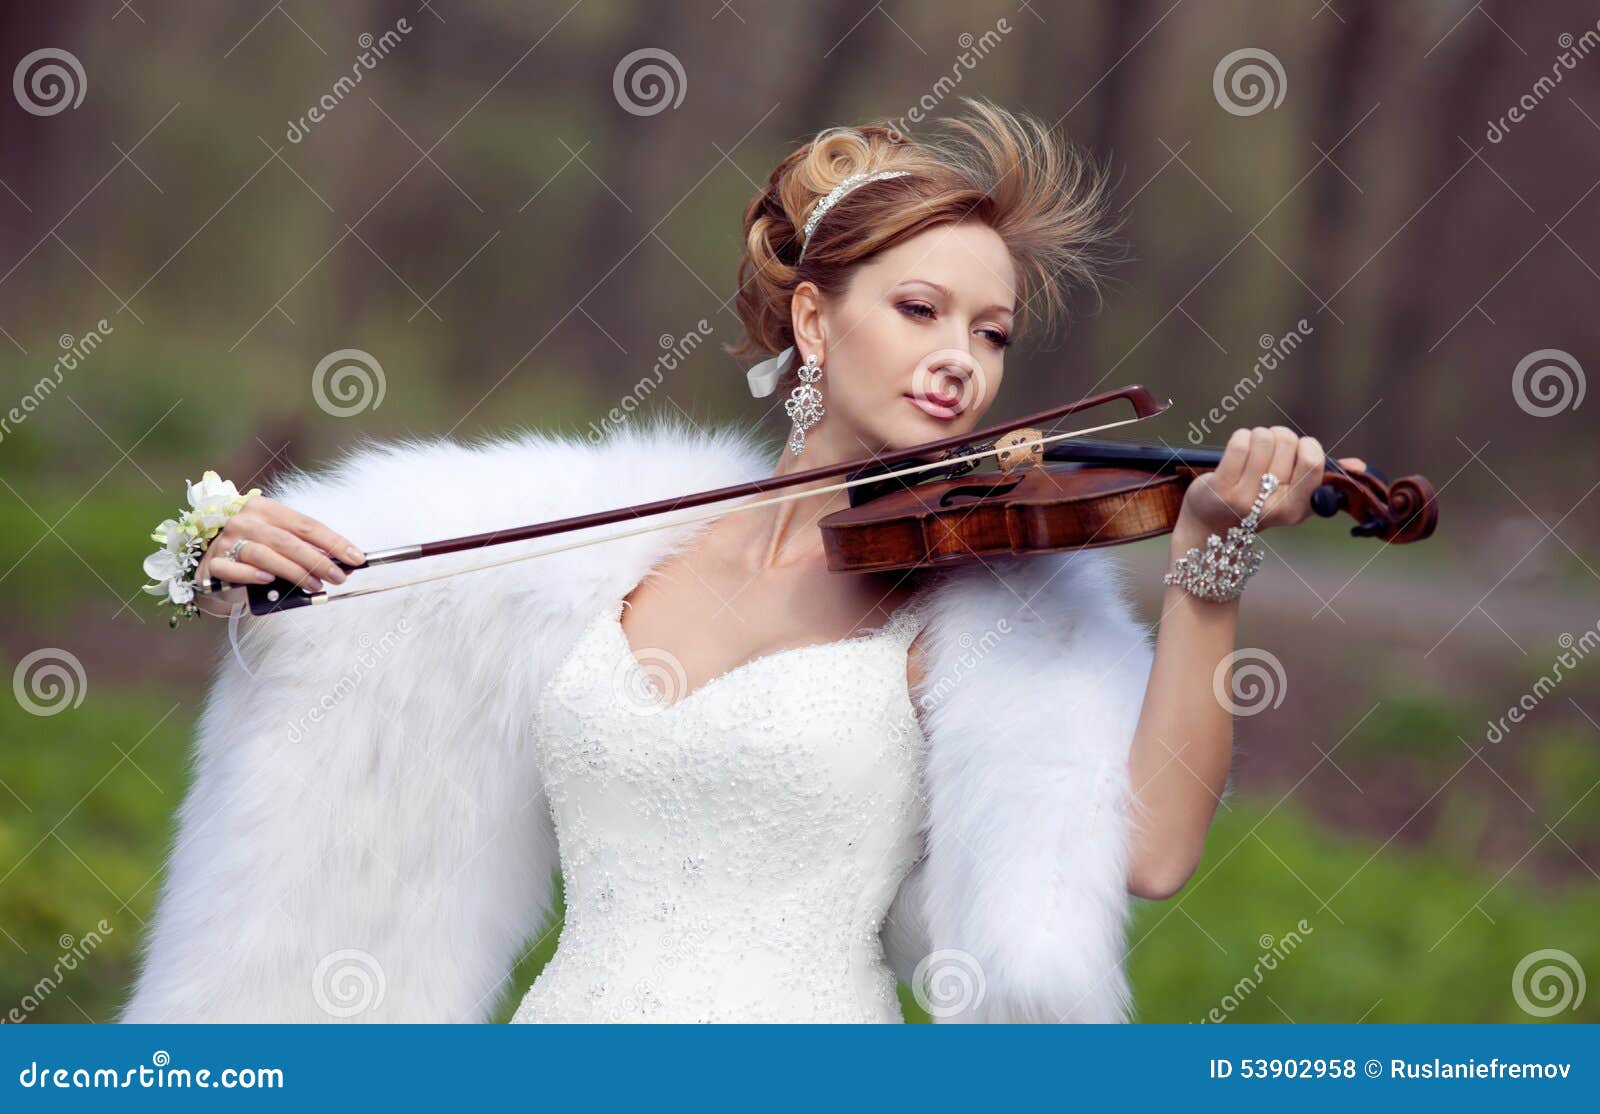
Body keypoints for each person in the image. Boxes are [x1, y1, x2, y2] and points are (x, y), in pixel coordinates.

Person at [120, 97, 1365, 1024]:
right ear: (815, 318)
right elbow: (366, 654)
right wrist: (232, 559)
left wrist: (1208, 567)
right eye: (919, 310)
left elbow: (1145, 854)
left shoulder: (987, 604)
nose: (961, 361)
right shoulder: (596, 549)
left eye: (990, 333)